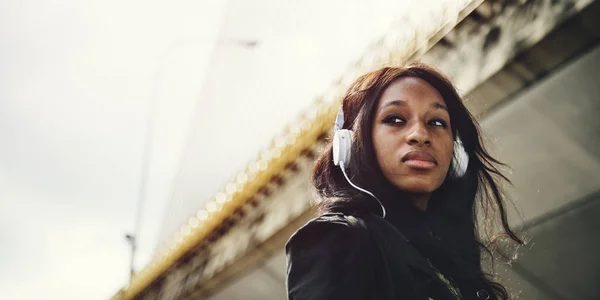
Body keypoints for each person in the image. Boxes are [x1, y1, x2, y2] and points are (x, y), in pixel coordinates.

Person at [285, 64, 524, 300]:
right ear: (353, 143)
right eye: (395, 119)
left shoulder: (443, 260)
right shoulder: (337, 238)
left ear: (457, 151)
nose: (420, 135)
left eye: (437, 122)